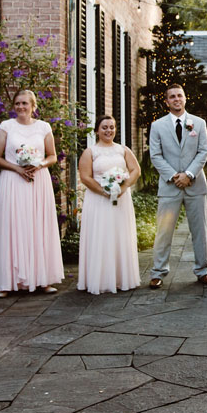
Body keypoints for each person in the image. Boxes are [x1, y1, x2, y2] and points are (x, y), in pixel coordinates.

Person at [0, 89, 64, 297]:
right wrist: (18, 168)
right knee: (12, 226)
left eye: (25, 104)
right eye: (17, 104)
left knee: (38, 226)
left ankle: (43, 279)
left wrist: (38, 165)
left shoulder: (43, 127)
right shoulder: (6, 127)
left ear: (33, 106)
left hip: (38, 182)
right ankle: (7, 282)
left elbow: (52, 156)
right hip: (13, 181)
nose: (21, 107)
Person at [147, 84, 207, 288]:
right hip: (170, 186)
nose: (176, 99)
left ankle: (203, 270)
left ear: (185, 98)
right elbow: (155, 155)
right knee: (164, 230)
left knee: (199, 230)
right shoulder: (157, 126)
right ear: (166, 101)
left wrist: (189, 174)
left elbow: (203, 151)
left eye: (180, 96)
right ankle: (158, 272)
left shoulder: (199, 123)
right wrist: (175, 176)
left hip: (195, 185)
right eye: (172, 97)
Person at [77, 115, 142, 294]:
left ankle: (121, 278)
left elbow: (136, 170)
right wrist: (104, 192)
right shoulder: (90, 152)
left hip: (121, 199)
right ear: (97, 130)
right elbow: (85, 177)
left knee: (119, 234)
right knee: (100, 235)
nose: (109, 131)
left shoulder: (123, 150)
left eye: (112, 127)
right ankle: (99, 279)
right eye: (104, 127)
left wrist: (124, 187)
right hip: (98, 200)